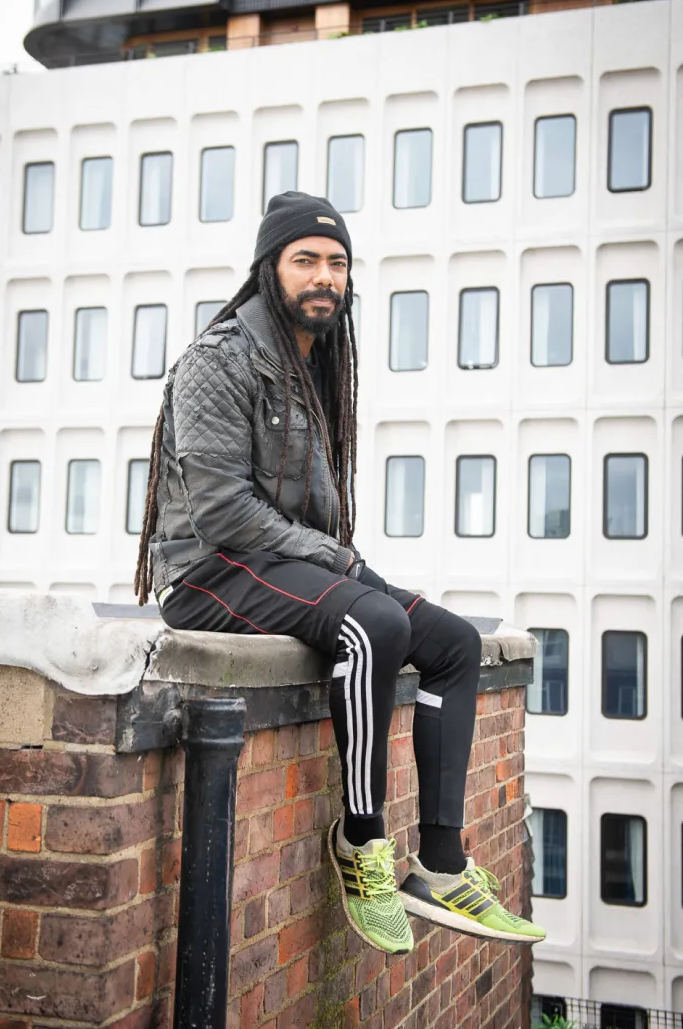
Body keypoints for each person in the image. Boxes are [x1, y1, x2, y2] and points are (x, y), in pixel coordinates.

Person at [135, 191, 545, 955]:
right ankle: (361, 842)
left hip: (281, 564)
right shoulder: (218, 360)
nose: (325, 276)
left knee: (454, 642)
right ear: (270, 268)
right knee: (375, 622)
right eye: (306, 260)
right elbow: (223, 514)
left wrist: (339, 562)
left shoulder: (312, 365)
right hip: (209, 572)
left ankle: (442, 866)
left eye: (337, 262)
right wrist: (343, 564)